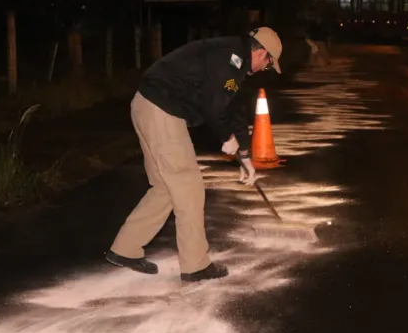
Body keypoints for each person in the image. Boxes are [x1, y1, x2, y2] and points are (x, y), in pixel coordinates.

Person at [105, 27, 283, 282]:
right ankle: (195, 265)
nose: (264, 69)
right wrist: (226, 138)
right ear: (263, 53)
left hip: (147, 106)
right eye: (268, 64)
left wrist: (245, 156)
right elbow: (213, 106)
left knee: (165, 186)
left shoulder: (235, 59)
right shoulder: (230, 58)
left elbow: (232, 109)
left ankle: (125, 248)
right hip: (162, 110)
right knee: (189, 188)